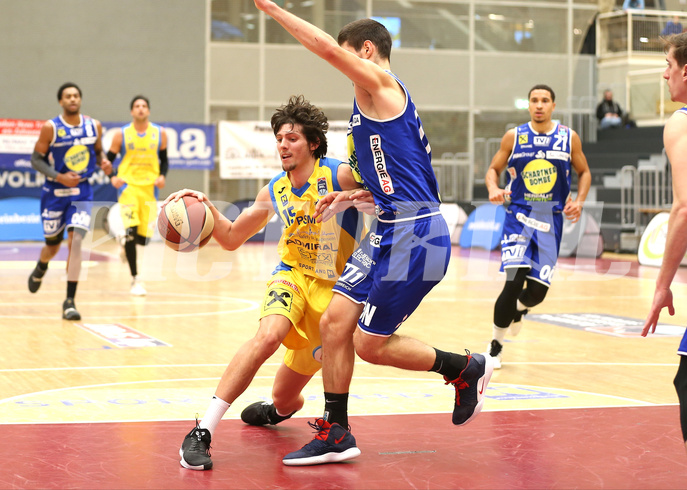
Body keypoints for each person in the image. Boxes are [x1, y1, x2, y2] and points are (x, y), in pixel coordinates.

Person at [254, 0, 494, 467]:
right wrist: (350, 197)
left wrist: (271, 8)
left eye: (348, 57)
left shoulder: (381, 85)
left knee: (369, 344)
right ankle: (337, 432)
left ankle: (465, 369)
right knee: (334, 323)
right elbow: (395, 182)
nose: (344, 68)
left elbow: (323, 48)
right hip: (389, 227)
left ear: (366, 50)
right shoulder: (370, 106)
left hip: (417, 235)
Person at [175, 95, 372, 471]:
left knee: (285, 399)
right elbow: (231, 237)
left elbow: (385, 201)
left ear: (313, 143)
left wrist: (353, 199)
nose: (283, 144)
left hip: (334, 293)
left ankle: (276, 411)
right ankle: (202, 431)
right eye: (280, 138)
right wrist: (207, 207)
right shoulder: (274, 191)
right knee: (268, 336)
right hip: (292, 275)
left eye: (292, 138)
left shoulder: (339, 174)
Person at [485, 84, 591, 370]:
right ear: (529, 105)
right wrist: (494, 188)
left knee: (537, 293)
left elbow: (584, 172)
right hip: (518, 218)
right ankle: (495, 345)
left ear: (553, 106)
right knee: (513, 281)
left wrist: (579, 201)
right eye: (534, 100)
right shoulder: (514, 136)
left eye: (545, 100)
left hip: (551, 221)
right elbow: (493, 169)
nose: (539, 105)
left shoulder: (568, 138)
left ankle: (520, 309)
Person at [643, 30, 687, 489]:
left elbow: (686, 207)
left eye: (667, 63)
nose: (663, 73)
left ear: (686, 70)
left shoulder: (684, 121)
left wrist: (663, 284)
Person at [27, 82, 111, 320]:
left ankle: (69, 301)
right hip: (54, 193)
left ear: (80, 100)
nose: (73, 99)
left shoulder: (94, 126)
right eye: (68, 96)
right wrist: (59, 176)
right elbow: (36, 160)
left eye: (76, 95)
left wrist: (103, 161)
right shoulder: (50, 128)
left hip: (81, 193)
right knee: (52, 247)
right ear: (61, 102)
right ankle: (42, 265)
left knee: (75, 243)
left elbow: (97, 153)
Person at [106, 95, 168, 296]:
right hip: (128, 189)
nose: (140, 109)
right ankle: (135, 279)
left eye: (144, 106)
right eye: (137, 106)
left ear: (148, 111)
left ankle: (124, 243)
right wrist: (112, 177)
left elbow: (164, 160)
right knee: (131, 232)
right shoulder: (121, 134)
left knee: (143, 240)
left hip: (150, 190)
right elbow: (107, 160)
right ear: (132, 111)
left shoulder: (159, 133)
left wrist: (162, 176)